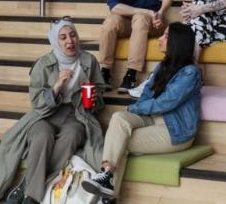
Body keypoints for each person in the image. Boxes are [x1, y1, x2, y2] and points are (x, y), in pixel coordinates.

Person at [0, 18, 106, 204]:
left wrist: (94, 100)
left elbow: (99, 93)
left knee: (72, 134)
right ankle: (33, 196)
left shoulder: (88, 60)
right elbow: (36, 102)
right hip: (45, 114)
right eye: (63, 37)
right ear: (55, 41)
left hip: (76, 114)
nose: (69, 41)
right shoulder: (43, 63)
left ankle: (27, 188)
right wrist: (56, 87)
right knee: (41, 136)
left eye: (72, 35)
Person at [82, 23, 202, 203]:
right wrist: (136, 109)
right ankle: (106, 179)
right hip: (152, 119)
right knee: (119, 118)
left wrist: (135, 108)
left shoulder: (190, 73)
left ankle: (107, 194)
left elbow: (165, 102)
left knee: (122, 142)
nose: (160, 39)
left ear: (177, 42)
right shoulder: (163, 67)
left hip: (175, 131)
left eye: (166, 36)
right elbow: (146, 95)